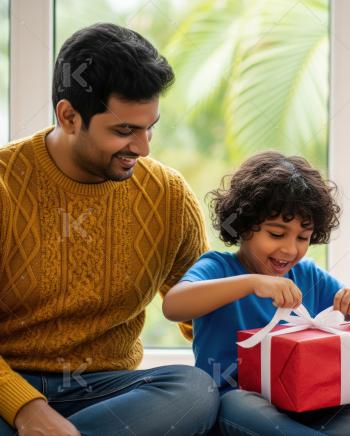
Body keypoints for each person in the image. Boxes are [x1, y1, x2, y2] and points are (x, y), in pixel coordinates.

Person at [0, 23, 219, 435]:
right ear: (69, 117)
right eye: (124, 131)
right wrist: (27, 409)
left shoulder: (167, 195)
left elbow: (203, 314)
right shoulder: (5, 186)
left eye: (149, 126)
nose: (143, 147)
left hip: (104, 389)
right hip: (8, 385)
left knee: (194, 390)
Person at [163, 151, 350, 436]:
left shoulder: (307, 275)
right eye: (276, 234)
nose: (290, 250)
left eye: (303, 238)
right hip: (236, 408)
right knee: (238, 404)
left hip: (302, 406)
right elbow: (174, 306)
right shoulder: (218, 267)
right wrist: (251, 282)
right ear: (244, 227)